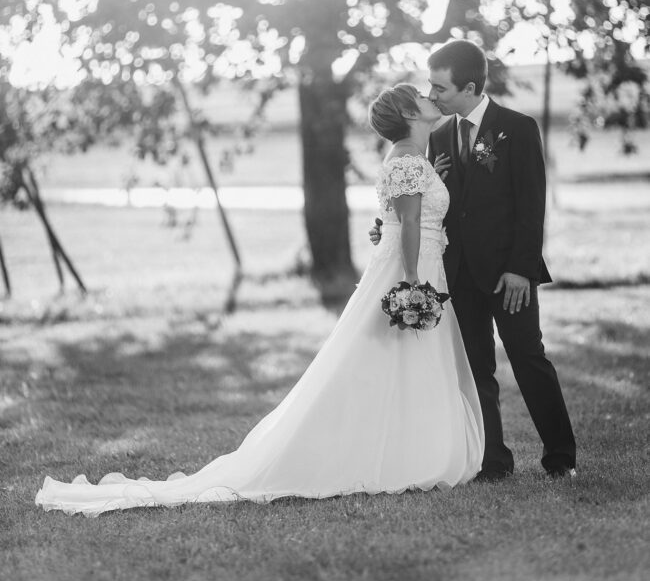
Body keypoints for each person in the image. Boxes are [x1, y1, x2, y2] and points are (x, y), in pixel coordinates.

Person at [35, 83, 483, 516]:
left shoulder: (412, 160)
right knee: (391, 359)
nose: (431, 96)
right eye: (422, 96)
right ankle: (397, 455)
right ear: (409, 113)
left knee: (397, 361)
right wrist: (409, 283)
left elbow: (402, 217)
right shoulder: (407, 161)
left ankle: (406, 450)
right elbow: (405, 225)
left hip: (419, 264)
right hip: (410, 271)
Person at [371, 41, 576, 481]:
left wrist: (522, 267)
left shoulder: (517, 128)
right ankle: (493, 461)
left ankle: (561, 458)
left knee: (528, 358)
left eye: (439, 87)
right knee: (476, 367)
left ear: (468, 86)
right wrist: (383, 224)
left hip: (509, 274)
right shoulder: (439, 135)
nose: (432, 94)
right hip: (456, 272)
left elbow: (531, 204)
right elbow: (421, 200)